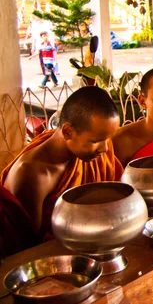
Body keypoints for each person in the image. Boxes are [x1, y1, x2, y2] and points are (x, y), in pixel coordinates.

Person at [1, 87, 122, 238]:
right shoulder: (32, 174)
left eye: (107, 139)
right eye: (97, 141)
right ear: (68, 132)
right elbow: (30, 245)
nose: (104, 148)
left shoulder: (92, 151)